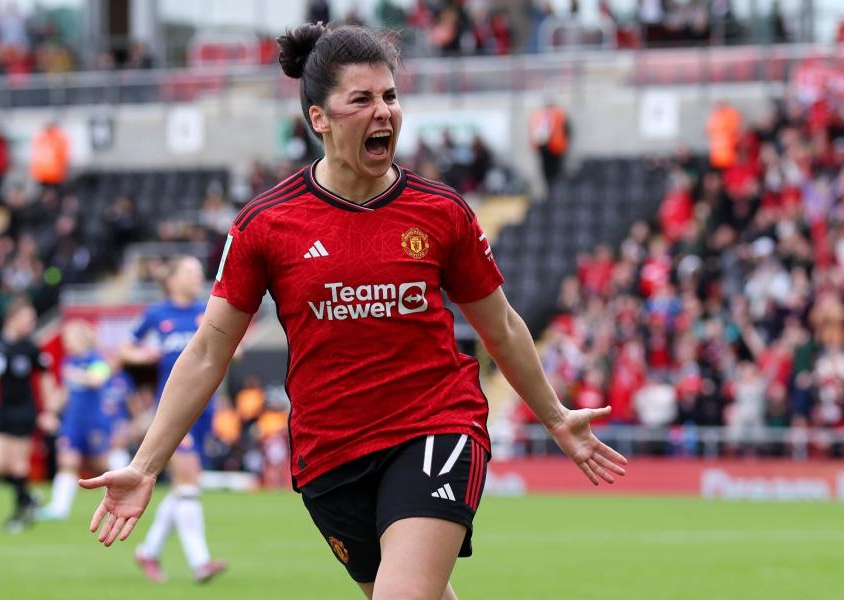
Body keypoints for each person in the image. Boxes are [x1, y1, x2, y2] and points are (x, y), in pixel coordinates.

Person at [81, 24, 626, 599]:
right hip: (329, 454)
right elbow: (208, 351)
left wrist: (555, 416)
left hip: (436, 424)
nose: (383, 111)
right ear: (319, 118)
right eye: (361, 100)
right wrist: (145, 465)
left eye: (390, 96)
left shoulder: (441, 212)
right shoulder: (266, 224)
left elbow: (503, 327)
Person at [117, 255, 227, 583]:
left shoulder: (207, 312)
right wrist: (144, 355)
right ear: (172, 278)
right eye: (190, 272)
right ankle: (201, 562)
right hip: (174, 412)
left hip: (204, 408)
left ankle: (148, 552)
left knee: (184, 486)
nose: (198, 278)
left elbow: (234, 350)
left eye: (198, 273)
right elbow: (124, 350)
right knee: (190, 483)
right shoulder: (157, 314)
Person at [0, 297, 56, 533]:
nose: (31, 324)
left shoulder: (31, 348)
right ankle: (28, 497)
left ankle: (19, 514)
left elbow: (46, 379)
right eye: (27, 319)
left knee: (18, 464)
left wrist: (49, 411)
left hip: (24, 411)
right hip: (0, 409)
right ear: (12, 319)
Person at [36, 320, 113, 521]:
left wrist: (78, 375)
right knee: (66, 461)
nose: (67, 344)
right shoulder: (68, 362)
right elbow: (65, 392)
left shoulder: (96, 360)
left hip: (94, 422)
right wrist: (50, 412)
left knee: (101, 465)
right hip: (73, 422)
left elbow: (98, 380)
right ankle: (59, 508)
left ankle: (117, 500)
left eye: (70, 339)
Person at [529, 98, 570, 189]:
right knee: (551, 175)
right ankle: (552, 192)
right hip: (548, 150)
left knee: (554, 174)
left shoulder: (556, 115)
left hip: (553, 150)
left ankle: (553, 192)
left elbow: (566, 131)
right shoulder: (554, 115)